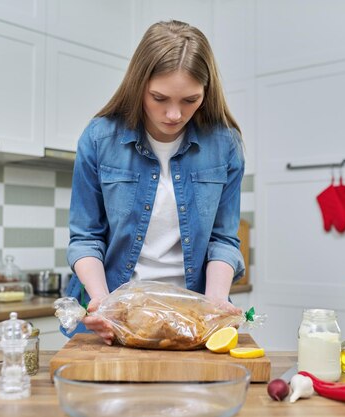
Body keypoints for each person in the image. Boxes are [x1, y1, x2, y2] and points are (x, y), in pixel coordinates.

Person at [64, 20, 245, 345]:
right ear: (139, 85)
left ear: (206, 92)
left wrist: (217, 301)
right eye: (159, 98)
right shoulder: (99, 139)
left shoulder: (225, 145)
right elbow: (85, 237)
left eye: (190, 100)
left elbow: (223, 239)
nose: (174, 114)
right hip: (115, 313)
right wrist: (102, 303)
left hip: (191, 320)